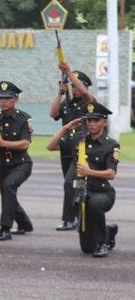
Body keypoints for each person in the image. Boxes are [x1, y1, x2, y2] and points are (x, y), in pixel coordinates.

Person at [47, 102, 119, 257]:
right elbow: (51, 146)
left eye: (96, 120)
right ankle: (109, 231)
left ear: (104, 122)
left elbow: (111, 174)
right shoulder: (80, 139)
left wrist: (89, 171)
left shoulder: (110, 145)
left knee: (94, 204)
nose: (91, 124)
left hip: (102, 193)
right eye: (89, 120)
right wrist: (66, 127)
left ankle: (102, 243)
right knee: (86, 248)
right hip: (82, 192)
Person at [49, 62, 95, 231]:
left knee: (70, 183)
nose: (74, 90)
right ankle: (78, 216)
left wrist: (68, 72)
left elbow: (83, 92)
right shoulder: (67, 103)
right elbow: (53, 114)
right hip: (66, 149)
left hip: (81, 151)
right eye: (72, 87)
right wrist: (60, 94)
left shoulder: (89, 103)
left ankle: (69, 219)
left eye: (76, 86)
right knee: (72, 184)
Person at [0, 81, 33, 241]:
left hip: (21, 164)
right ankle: (24, 223)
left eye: (7, 98)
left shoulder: (24, 119)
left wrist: (3, 143)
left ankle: (5, 228)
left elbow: (25, 143)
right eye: (1, 98)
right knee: (8, 192)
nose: (3, 101)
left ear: (16, 99)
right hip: (2, 165)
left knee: (8, 187)